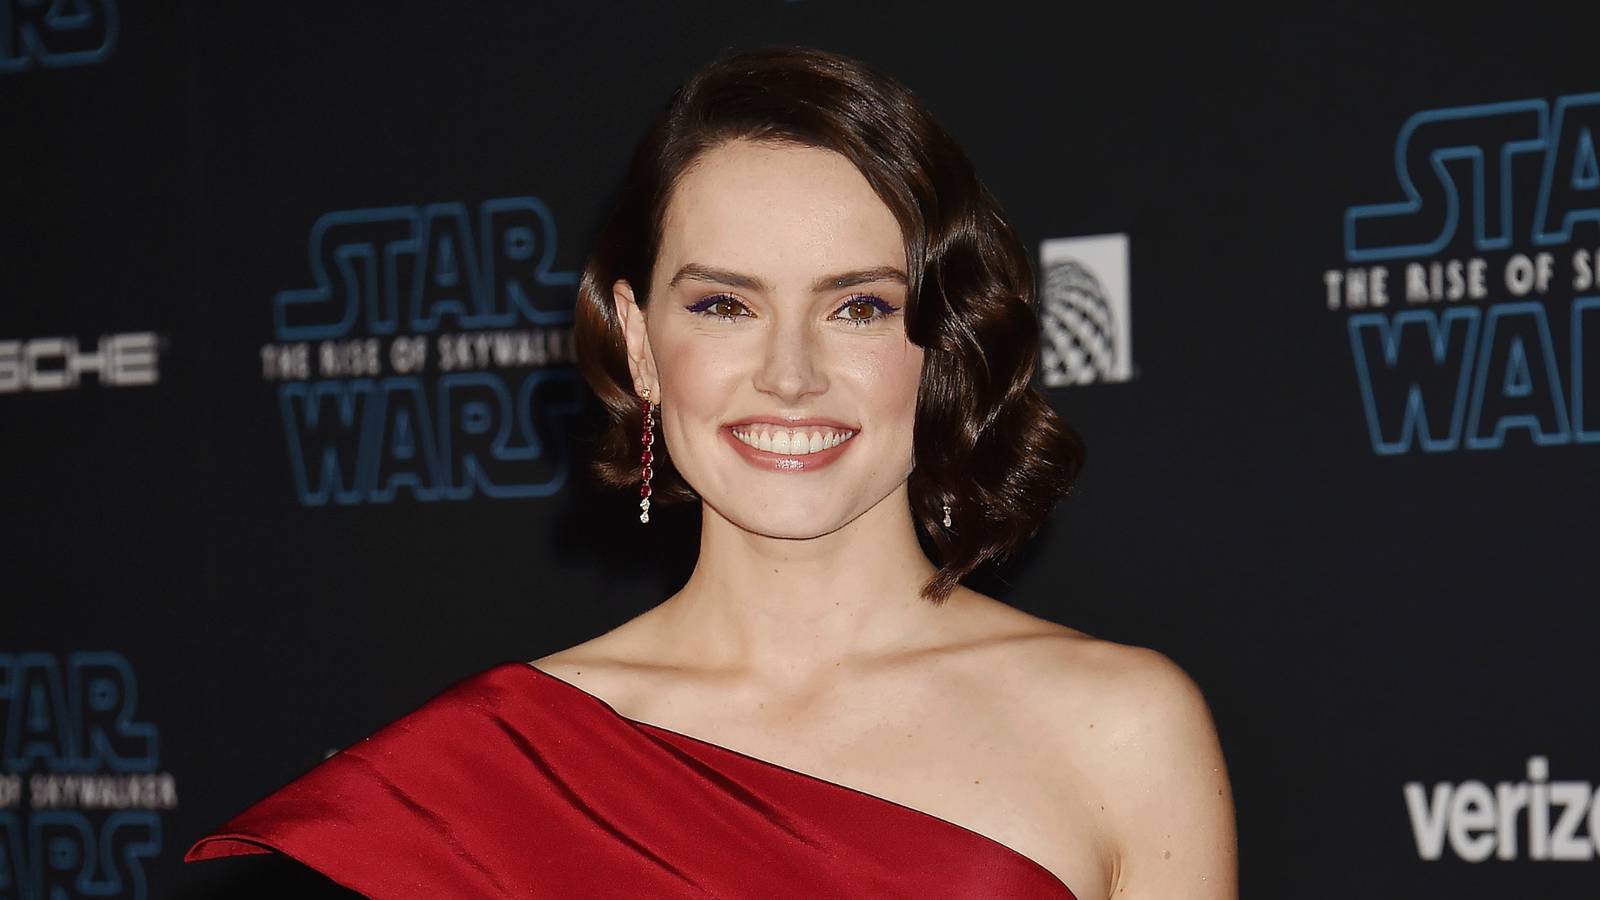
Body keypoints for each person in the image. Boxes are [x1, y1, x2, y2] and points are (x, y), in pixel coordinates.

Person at [186, 47, 1237, 899]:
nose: (790, 375)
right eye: (724, 306)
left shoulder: (1120, 730)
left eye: (858, 307)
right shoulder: (490, 768)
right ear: (640, 344)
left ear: (942, 343)